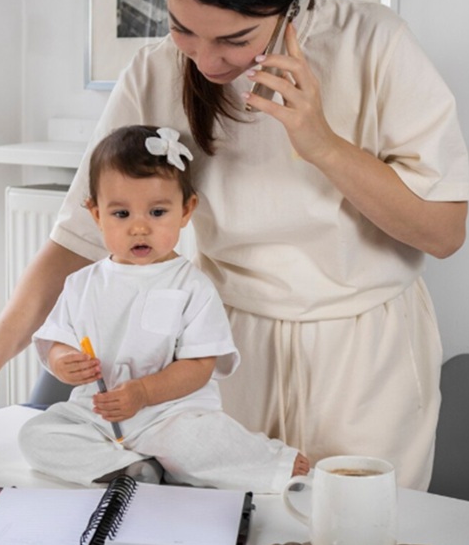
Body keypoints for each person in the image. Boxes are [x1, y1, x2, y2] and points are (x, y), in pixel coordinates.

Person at [0, 0, 469, 491]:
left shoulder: (375, 44)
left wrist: (319, 142)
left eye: (235, 39)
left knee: (358, 537)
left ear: (290, 0)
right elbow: (73, 244)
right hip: (222, 355)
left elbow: (443, 232)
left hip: (366, 357)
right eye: (185, 29)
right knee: (234, 538)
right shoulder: (156, 70)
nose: (207, 61)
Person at [16, 125, 309, 491]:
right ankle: (132, 468)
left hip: (169, 413)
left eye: (156, 212)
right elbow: (56, 340)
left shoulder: (191, 286)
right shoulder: (82, 284)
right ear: (96, 214)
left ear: (186, 211)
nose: (140, 228)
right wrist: (63, 361)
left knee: (198, 443)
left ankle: (271, 462)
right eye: (121, 214)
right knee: (36, 434)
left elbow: (200, 367)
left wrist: (143, 394)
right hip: (98, 412)